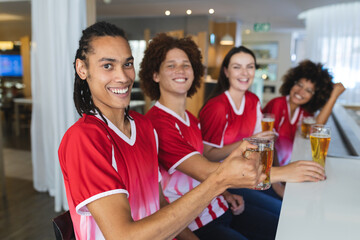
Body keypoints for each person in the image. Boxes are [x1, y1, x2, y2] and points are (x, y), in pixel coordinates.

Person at [58, 21, 265, 240]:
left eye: (127, 64)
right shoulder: (84, 139)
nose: (123, 77)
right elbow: (124, 236)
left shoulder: (145, 127)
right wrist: (219, 180)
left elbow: (160, 204)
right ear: (82, 69)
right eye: (107, 66)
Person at [140, 33, 278, 240]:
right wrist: (284, 174)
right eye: (171, 65)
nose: (180, 70)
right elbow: (206, 171)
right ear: (155, 75)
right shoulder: (157, 123)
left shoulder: (191, 119)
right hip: (194, 222)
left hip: (219, 205)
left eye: (186, 65)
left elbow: (202, 172)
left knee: (279, 226)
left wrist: (226, 194)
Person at [199, 47, 327, 200]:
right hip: (226, 180)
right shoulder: (217, 107)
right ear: (226, 72)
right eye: (237, 67)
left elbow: (263, 146)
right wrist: (276, 180)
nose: (245, 73)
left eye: (250, 67)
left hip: (252, 173)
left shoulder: (254, 100)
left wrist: (273, 177)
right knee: (280, 211)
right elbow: (207, 156)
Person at [263, 60, 345, 167]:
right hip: (270, 171)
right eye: (299, 85)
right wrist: (277, 179)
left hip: (287, 169)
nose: (301, 92)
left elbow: (317, 127)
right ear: (292, 83)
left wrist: (334, 96)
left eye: (308, 90)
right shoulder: (278, 104)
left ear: (314, 96)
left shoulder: (303, 112)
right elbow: (267, 143)